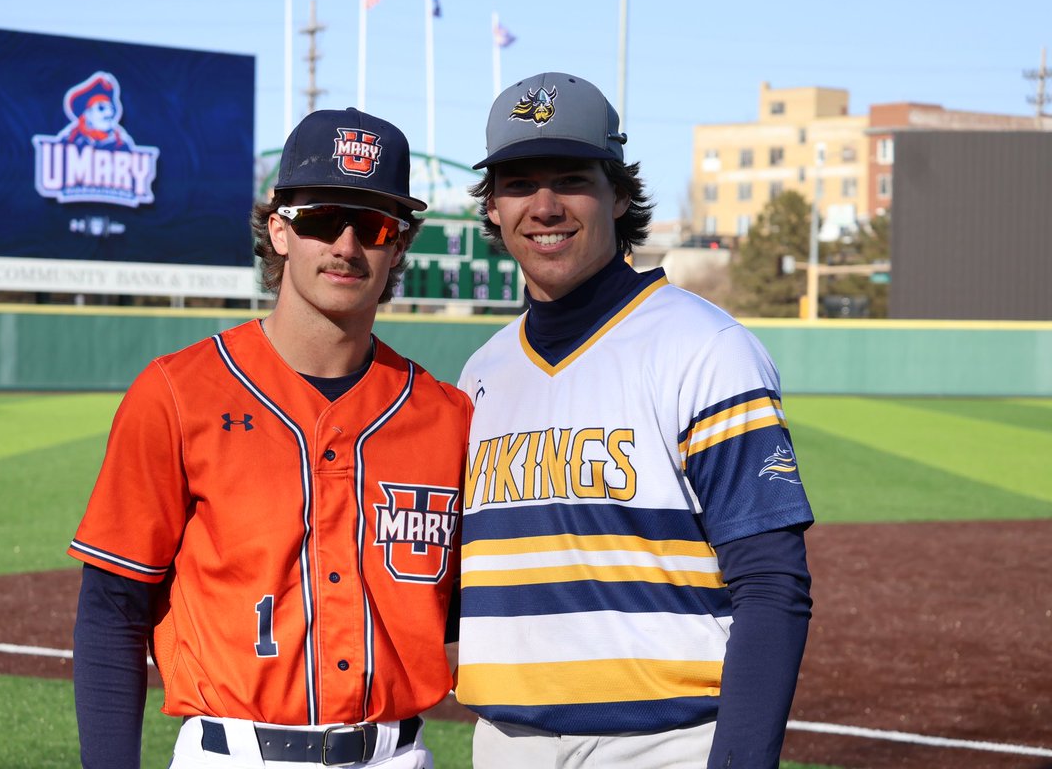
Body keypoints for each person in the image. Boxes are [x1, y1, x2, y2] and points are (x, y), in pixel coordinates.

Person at [68, 107, 472, 769]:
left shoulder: (446, 416)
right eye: (320, 219)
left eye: (371, 225)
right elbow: (113, 609)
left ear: (398, 245)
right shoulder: (177, 393)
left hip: (398, 753)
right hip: (234, 752)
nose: (346, 245)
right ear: (280, 230)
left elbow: (468, 606)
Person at [455, 72, 815, 769]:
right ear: (493, 207)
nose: (546, 205)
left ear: (619, 193)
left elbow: (772, 582)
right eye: (520, 183)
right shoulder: (481, 374)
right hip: (503, 744)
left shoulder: (703, 347)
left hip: (664, 747)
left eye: (571, 179)